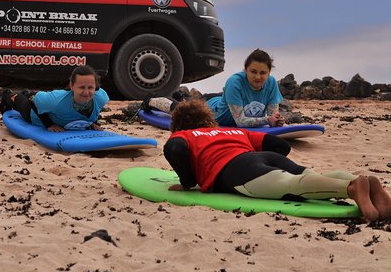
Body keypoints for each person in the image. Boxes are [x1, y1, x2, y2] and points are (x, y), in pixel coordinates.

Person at [163, 100, 391, 221]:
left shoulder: (184, 135)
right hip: (261, 156)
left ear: (179, 125)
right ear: (206, 118)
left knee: (290, 186)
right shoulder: (230, 131)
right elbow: (279, 145)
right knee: (309, 176)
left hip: (237, 169)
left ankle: (350, 188)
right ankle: (363, 182)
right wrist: (267, 163)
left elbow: (175, 148)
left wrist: (188, 181)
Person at [0, 65, 109, 132]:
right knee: (22, 102)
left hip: (53, 109)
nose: (86, 92)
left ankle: (26, 92)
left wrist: (93, 122)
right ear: (72, 86)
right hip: (35, 115)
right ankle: (8, 94)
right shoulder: (56, 100)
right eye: (81, 87)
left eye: (90, 87)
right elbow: (33, 101)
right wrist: (49, 124)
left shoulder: (101, 97)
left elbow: (95, 109)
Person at [206, 49, 284, 127]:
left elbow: (272, 116)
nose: (257, 77)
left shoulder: (272, 83)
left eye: (262, 73)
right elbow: (240, 121)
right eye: (253, 71)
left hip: (230, 98)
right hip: (209, 110)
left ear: (269, 72)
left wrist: (276, 121)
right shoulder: (234, 82)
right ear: (246, 70)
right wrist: (267, 120)